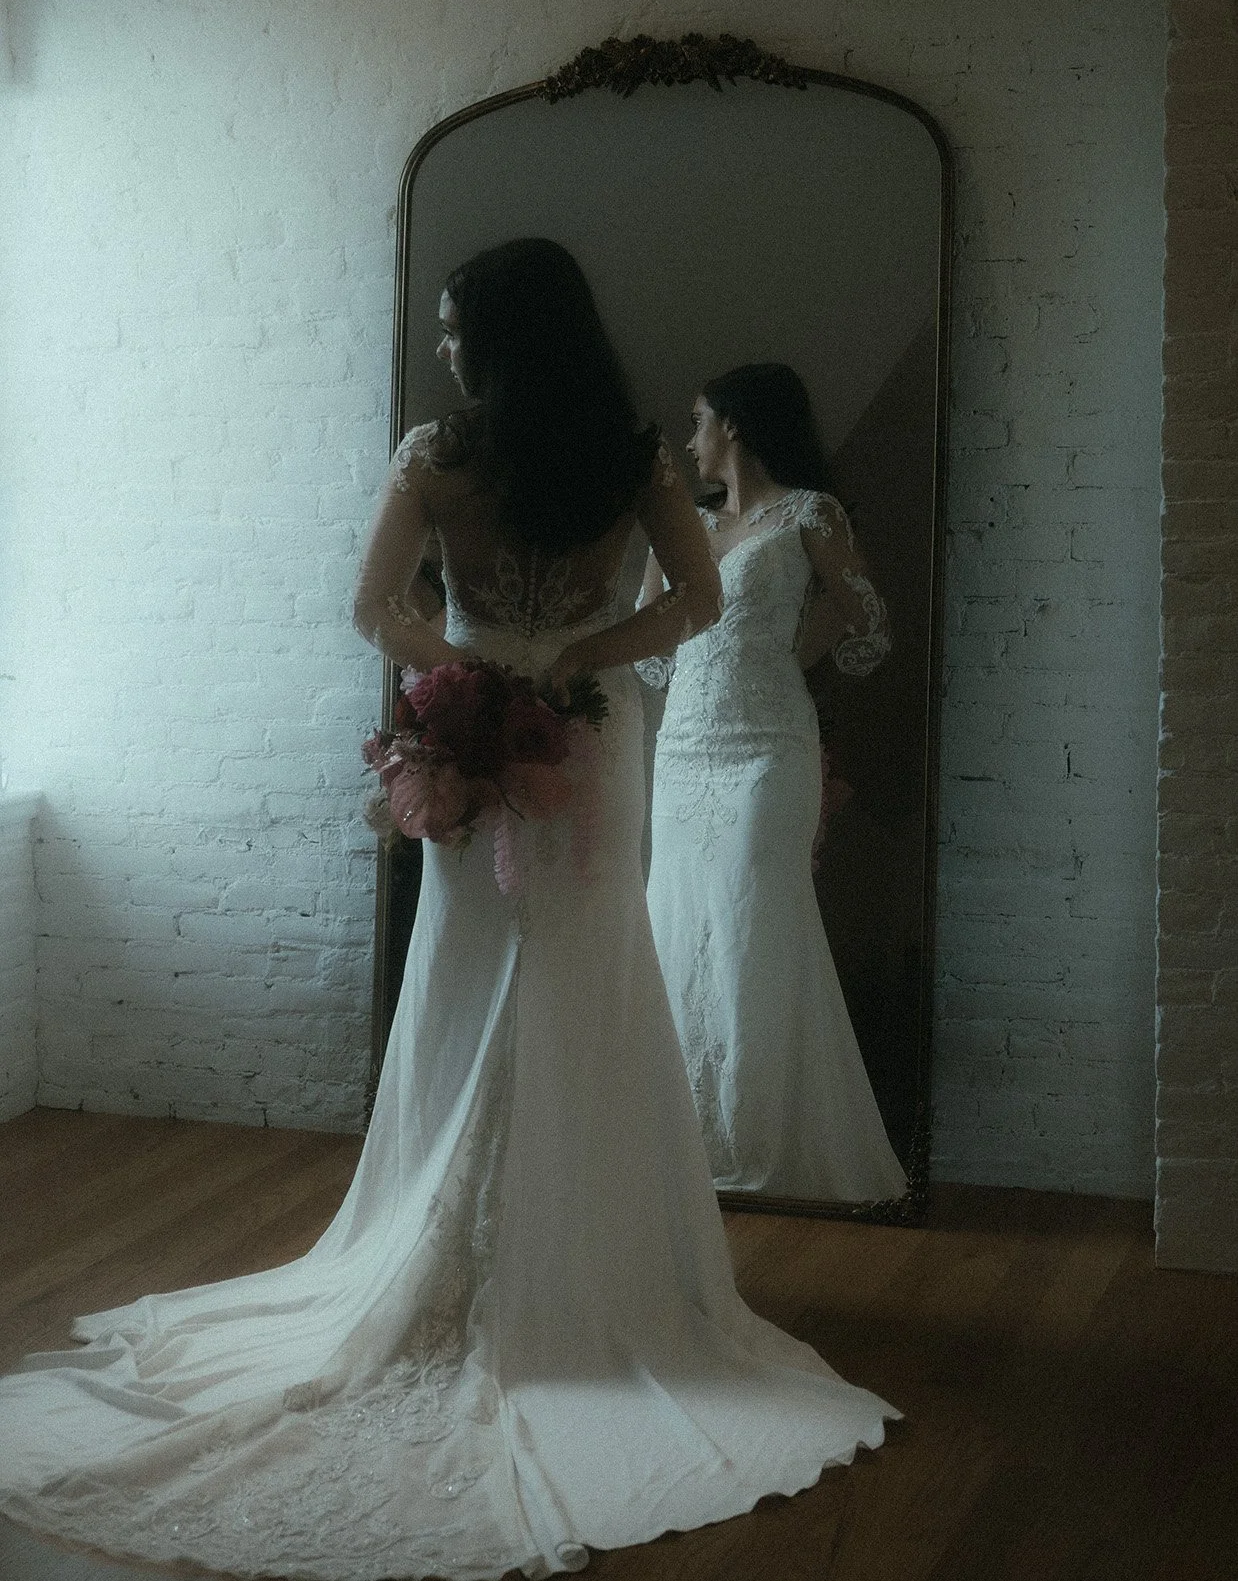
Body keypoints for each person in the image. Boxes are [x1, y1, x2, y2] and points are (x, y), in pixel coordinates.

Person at [0, 248, 897, 1580]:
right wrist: (574, 656)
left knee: (484, 963)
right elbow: (696, 603)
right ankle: (586, 1266)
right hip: (589, 739)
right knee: (584, 967)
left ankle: (478, 1244)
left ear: (495, 337)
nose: (439, 342)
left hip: (473, 729)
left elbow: (372, 608)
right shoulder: (631, 459)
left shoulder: (438, 456)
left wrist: (473, 664)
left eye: (451, 324)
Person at [639, 362, 908, 1203]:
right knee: (679, 921)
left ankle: (764, 1142)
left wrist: (791, 652)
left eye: (699, 419)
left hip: (767, 749)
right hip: (684, 752)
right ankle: (683, 1141)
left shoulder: (809, 513)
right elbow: (652, 646)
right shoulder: (685, 524)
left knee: (755, 920)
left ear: (736, 424)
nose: (690, 438)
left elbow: (869, 622)